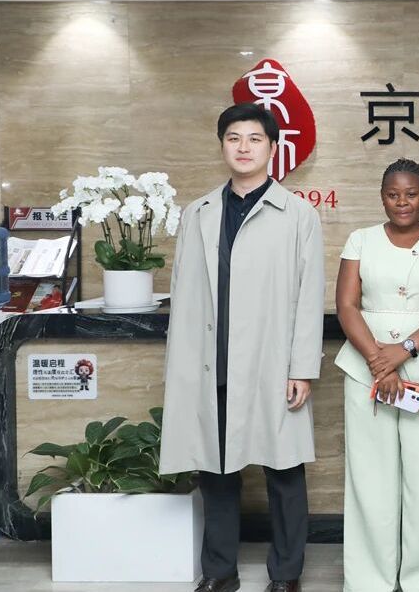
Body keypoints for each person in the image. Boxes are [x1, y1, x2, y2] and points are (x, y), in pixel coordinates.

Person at [160, 102, 324, 592]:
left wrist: (301, 368)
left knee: (284, 469)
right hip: (212, 361)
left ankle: (287, 573)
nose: (244, 147)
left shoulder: (298, 214)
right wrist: (180, 365)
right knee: (215, 470)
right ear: (222, 146)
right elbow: (183, 293)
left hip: (271, 363)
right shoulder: (199, 212)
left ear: (272, 148)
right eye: (234, 138)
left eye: (254, 138)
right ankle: (219, 571)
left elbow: (309, 295)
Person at [335, 158, 419, 592]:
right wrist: (379, 360)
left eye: (411, 194)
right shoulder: (360, 239)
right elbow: (347, 306)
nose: (402, 202)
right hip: (366, 367)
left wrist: (403, 349)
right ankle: (369, 581)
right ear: (382, 197)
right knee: (369, 478)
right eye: (393, 194)